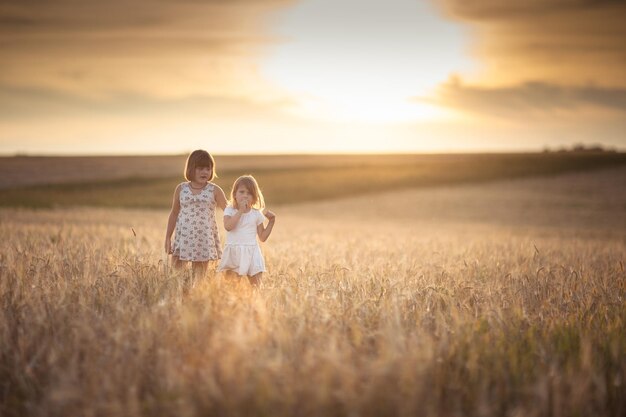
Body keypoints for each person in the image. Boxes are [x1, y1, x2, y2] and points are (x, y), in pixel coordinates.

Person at [164, 150, 227, 280]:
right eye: (200, 168)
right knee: (175, 277)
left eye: (208, 168)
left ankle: (196, 298)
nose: (204, 172)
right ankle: (177, 297)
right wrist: (167, 238)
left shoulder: (214, 190)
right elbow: (174, 213)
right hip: (183, 238)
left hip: (203, 239)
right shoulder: (181, 189)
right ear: (191, 169)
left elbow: (229, 211)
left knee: (199, 280)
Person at [217, 175, 276, 286]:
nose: (245, 196)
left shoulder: (256, 213)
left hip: (252, 252)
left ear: (254, 197)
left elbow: (262, 237)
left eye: (249, 193)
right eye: (242, 192)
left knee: (256, 287)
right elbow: (228, 226)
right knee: (231, 287)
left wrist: (271, 222)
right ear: (235, 194)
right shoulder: (230, 210)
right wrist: (240, 211)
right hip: (234, 253)